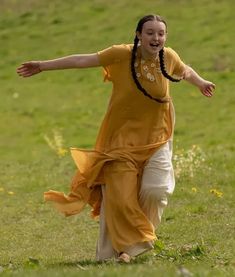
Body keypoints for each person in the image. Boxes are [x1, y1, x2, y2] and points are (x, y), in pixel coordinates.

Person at [17, 14, 215, 263]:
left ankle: (139, 240)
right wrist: (43, 65)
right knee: (120, 197)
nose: (156, 38)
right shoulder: (121, 54)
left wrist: (200, 82)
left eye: (161, 33)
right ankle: (127, 250)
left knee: (157, 190)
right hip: (120, 140)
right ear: (138, 35)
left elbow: (185, 71)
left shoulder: (169, 57)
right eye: (150, 33)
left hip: (158, 137)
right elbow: (82, 60)